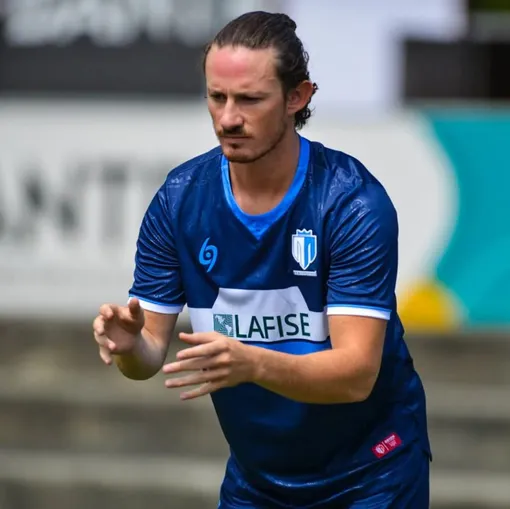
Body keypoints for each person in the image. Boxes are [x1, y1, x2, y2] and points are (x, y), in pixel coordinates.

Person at [92, 10, 432, 509]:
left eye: (249, 99)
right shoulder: (179, 200)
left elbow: (357, 375)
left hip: (373, 475)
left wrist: (251, 362)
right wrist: (128, 348)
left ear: (298, 97)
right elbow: (148, 356)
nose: (228, 118)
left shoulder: (351, 202)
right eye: (217, 97)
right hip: (258, 482)